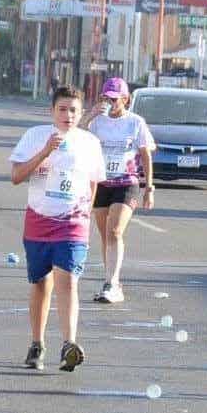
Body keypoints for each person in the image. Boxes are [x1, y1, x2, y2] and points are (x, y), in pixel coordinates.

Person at [10, 85, 106, 371]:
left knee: (68, 280)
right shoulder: (35, 136)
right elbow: (16, 176)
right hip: (39, 220)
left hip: (73, 223)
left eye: (74, 110)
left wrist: (84, 215)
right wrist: (44, 152)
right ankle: (37, 343)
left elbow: (93, 183)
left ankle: (69, 344)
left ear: (81, 113)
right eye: (62, 109)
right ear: (52, 111)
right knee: (41, 283)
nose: (68, 115)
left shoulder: (89, 143)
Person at [80, 77, 156, 304]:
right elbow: (76, 135)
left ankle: (111, 283)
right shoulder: (97, 122)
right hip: (101, 182)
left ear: (125, 99)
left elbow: (146, 155)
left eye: (115, 99)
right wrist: (91, 114)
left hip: (127, 182)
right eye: (106, 98)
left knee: (115, 231)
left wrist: (149, 188)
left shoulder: (136, 122)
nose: (111, 102)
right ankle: (113, 281)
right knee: (105, 236)